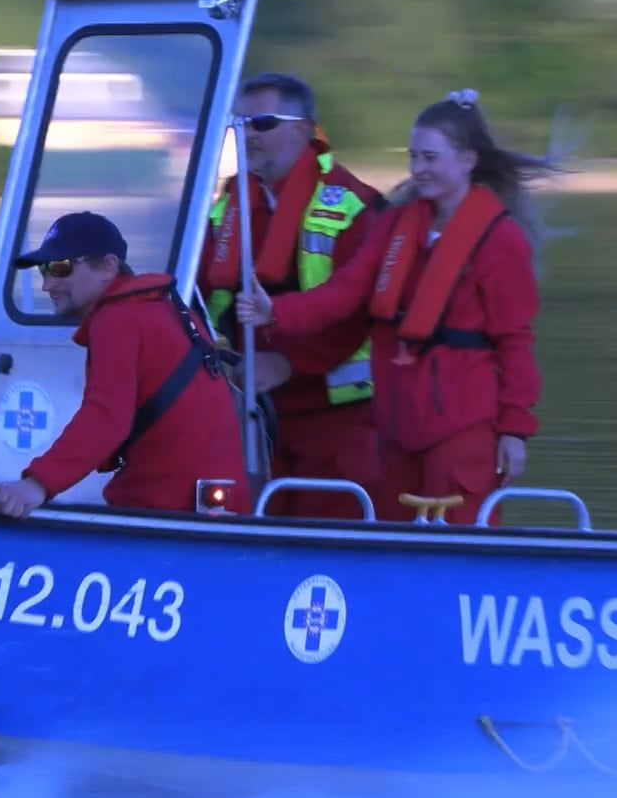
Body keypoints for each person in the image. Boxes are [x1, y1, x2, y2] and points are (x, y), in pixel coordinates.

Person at [234, 89, 556, 525]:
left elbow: (515, 342)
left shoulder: (501, 240)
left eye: (430, 158)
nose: (418, 170)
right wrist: (277, 312)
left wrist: (515, 431)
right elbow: (345, 293)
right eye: (413, 157)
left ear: (467, 161)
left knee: (457, 544)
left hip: (463, 427)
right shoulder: (394, 227)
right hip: (397, 424)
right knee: (390, 533)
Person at [200, 72, 388, 520]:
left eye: (262, 122)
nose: (248, 134)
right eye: (239, 122)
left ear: (303, 129)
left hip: (342, 416)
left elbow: (360, 310)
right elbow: (202, 289)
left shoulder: (352, 206)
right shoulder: (231, 203)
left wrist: (285, 363)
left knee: (333, 539)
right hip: (259, 413)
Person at [0, 211, 251, 519]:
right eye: (44, 271)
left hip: (168, 511)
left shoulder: (116, 320)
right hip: (215, 506)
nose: (48, 284)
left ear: (109, 266)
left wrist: (38, 485)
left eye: (61, 268)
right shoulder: (166, 309)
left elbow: (106, 417)